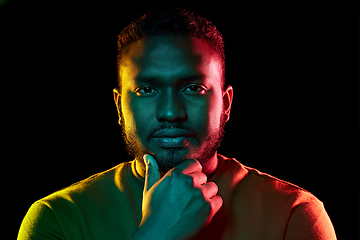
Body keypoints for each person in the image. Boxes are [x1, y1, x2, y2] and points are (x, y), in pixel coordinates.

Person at [18, 7, 336, 240]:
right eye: (147, 89)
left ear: (225, 104)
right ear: (119, 106)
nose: (171, 113)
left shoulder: (293, 214)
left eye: (193, 88)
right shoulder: (57, 218)